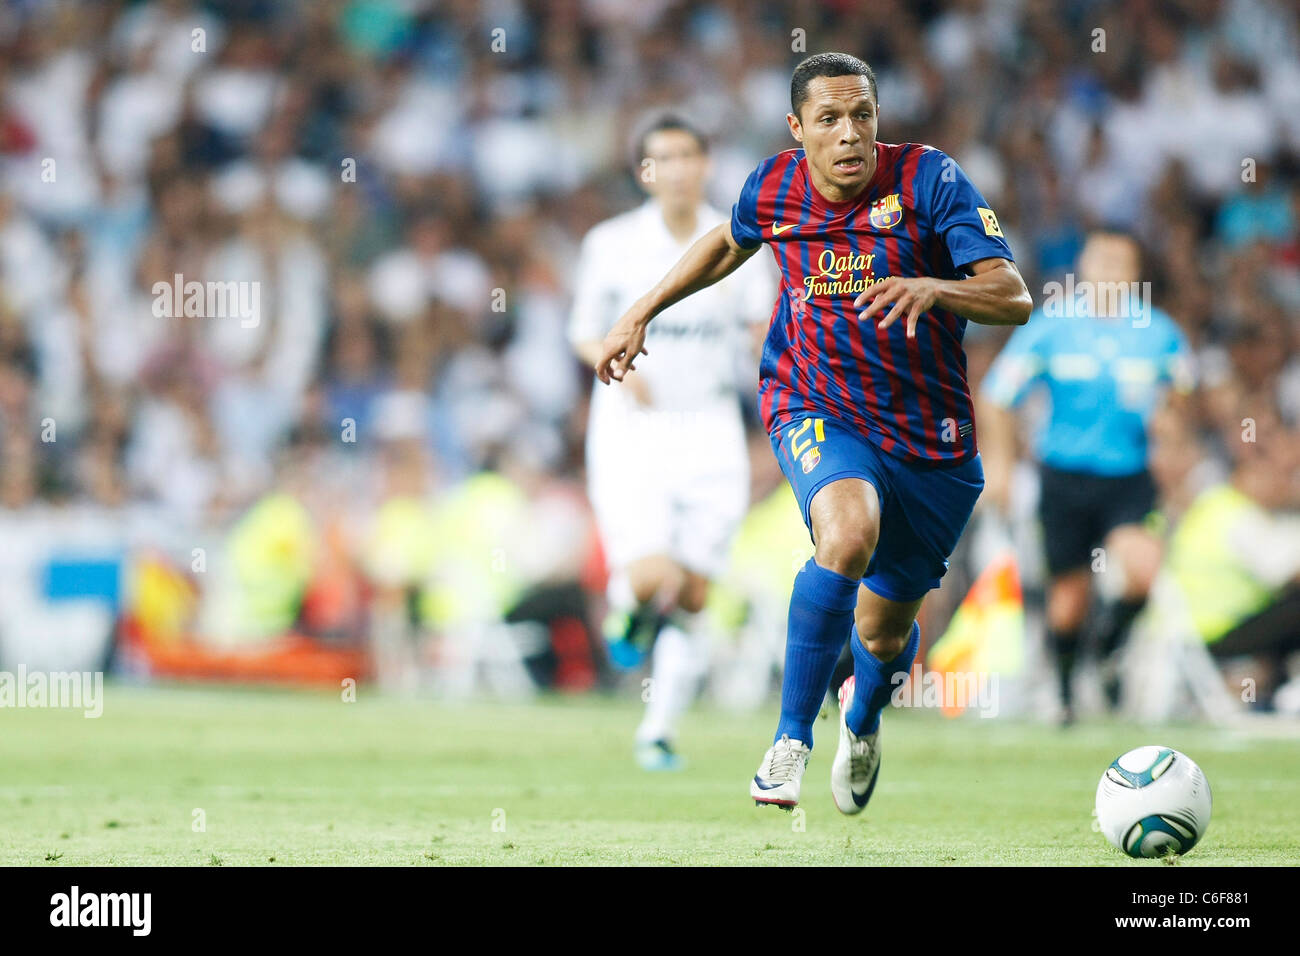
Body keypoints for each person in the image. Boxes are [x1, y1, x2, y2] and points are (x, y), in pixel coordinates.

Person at [593, 53, 1031, 811]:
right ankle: (790, 741)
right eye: (829, 119)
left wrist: (937, 287)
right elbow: (731, 242)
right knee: (846, 532)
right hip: (814, 404)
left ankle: (860, 721)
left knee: (886, 633)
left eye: (862, 114)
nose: (850, 133)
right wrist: (642, 310)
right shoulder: (773, 186)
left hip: (931, 439)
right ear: (799, 130)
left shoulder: (931, 180)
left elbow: (1013, 296)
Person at [570, 115, 773, 771]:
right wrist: (615, 368)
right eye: (664, 158)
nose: (679, 168)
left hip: (709, 427)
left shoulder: (741, 244)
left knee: (692, 593)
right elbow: (583, 331)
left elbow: (761, 331)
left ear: (705, 163)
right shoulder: (612, 244)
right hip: (634, 430)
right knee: (653, 573)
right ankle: (628, 606)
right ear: (645, 173)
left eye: (690, 154)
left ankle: (657, 731)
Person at [980, 230, 1194, 722]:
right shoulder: (1052, 327)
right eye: (1103, 259)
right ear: (1085, 265)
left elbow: (1182, 397)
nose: (1112, 270)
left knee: (1142, 568)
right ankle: (1065, 691)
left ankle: (1109, 646)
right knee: (1068, 598)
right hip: (1064, 478)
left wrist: (1172, 429)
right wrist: (1002, 463)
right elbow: (997, 395)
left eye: (1123, 261)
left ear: (1137, 272)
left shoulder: (1159, 333)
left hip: (1128, 477)